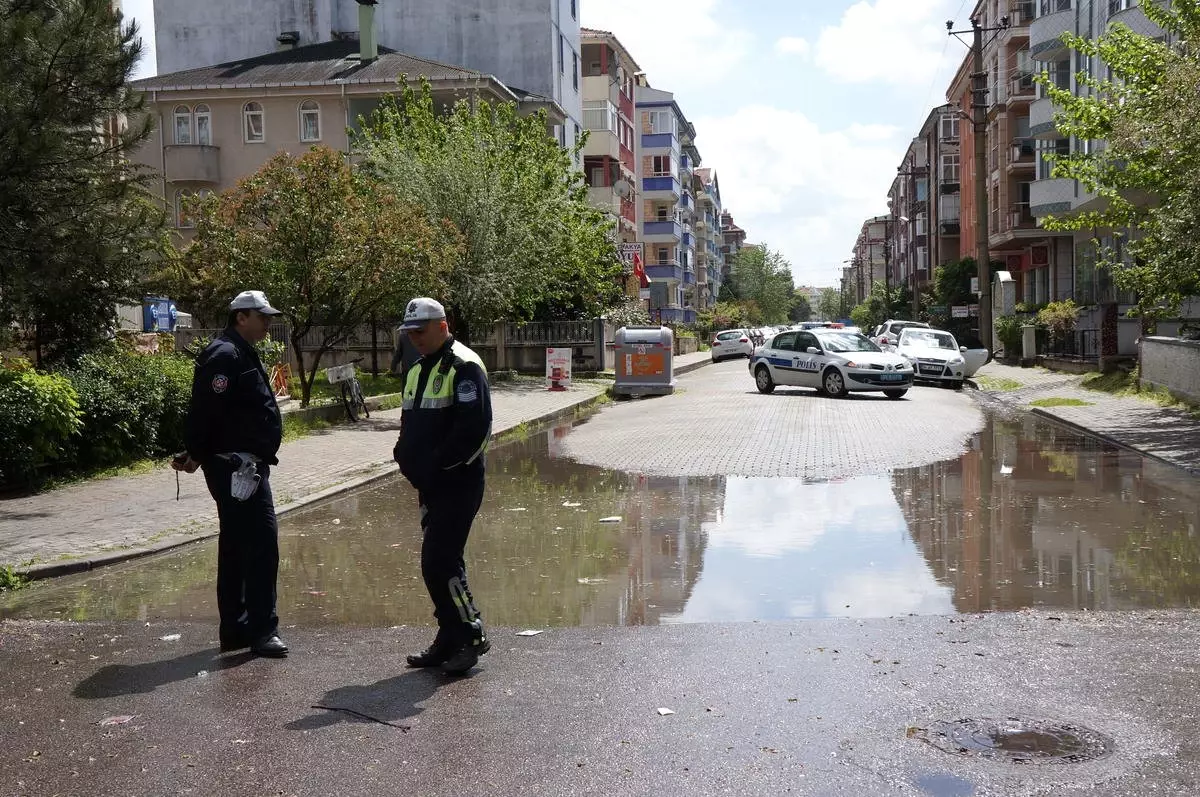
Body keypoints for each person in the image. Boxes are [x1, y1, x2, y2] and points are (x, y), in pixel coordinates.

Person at [172, 290, 288, 658]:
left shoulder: (238, 350)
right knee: (260, 545)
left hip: (242, 464)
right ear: (241, 317)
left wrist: (197, 453)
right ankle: (261, 629)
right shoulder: (225, 355)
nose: (268, 322)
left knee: (238, 545)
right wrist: (200, 453)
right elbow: (205, 412)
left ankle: (236, 628)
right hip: (236, 468)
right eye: (261, 316)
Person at [393, 297, 493, 676]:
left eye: (420, 331)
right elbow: (409, 425)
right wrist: (404, 457)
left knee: (438, 561)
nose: (414, 339)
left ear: (442, 325)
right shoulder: (418, 369)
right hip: (430, 484)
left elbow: (473, 432)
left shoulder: (464, 366)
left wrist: (434, 468)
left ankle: (470, 634)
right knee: (441, 562)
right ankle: (450, 635)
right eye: (409, 333)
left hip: (458, 482)